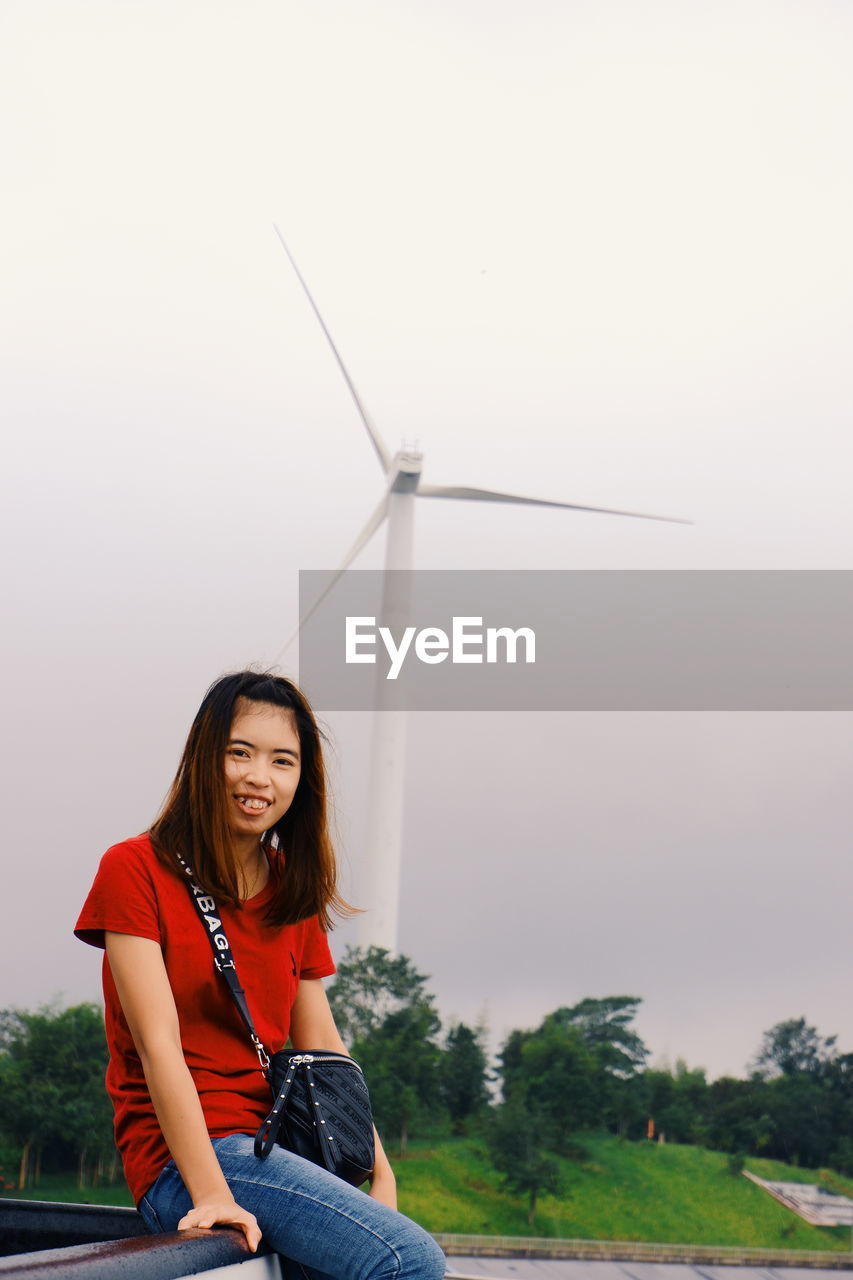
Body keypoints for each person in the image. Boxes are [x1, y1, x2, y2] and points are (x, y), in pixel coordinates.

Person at [75, 670, 446, 1280]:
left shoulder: (289, 886)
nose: (259, 777)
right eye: (239, 753)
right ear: (203, 757)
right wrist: (212, 1192)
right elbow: (159, 1045)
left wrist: (378, 1165)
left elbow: (324, 1047)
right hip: (185, 1160)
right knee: (408, 1260)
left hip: (285, 1147)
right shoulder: (134, 869)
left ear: (302, 781)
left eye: (283, 761)